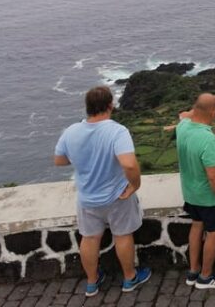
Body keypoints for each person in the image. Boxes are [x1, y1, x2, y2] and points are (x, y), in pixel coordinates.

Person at [54, 86, 151, 297]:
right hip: (117, 196)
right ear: (110, 105)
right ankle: (129, 277)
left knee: (89, 239)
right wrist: (135, 185)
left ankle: (91, 282)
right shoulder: (117, 131)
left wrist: (84, 158)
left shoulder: (71, 132)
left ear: (87, 107)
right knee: (123, 235)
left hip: (87, 197)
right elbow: (130, 165)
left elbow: (59, 160)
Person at [176, 92, 215, 289]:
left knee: (196, 226)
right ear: (213, 112)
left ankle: (193, 270)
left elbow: (185, 114)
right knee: (214, 232)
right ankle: (206, 276)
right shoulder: (206, 139)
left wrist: (207, 102)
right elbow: (213, 176)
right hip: (208, 197)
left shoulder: (183, 126)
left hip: (190, 192)